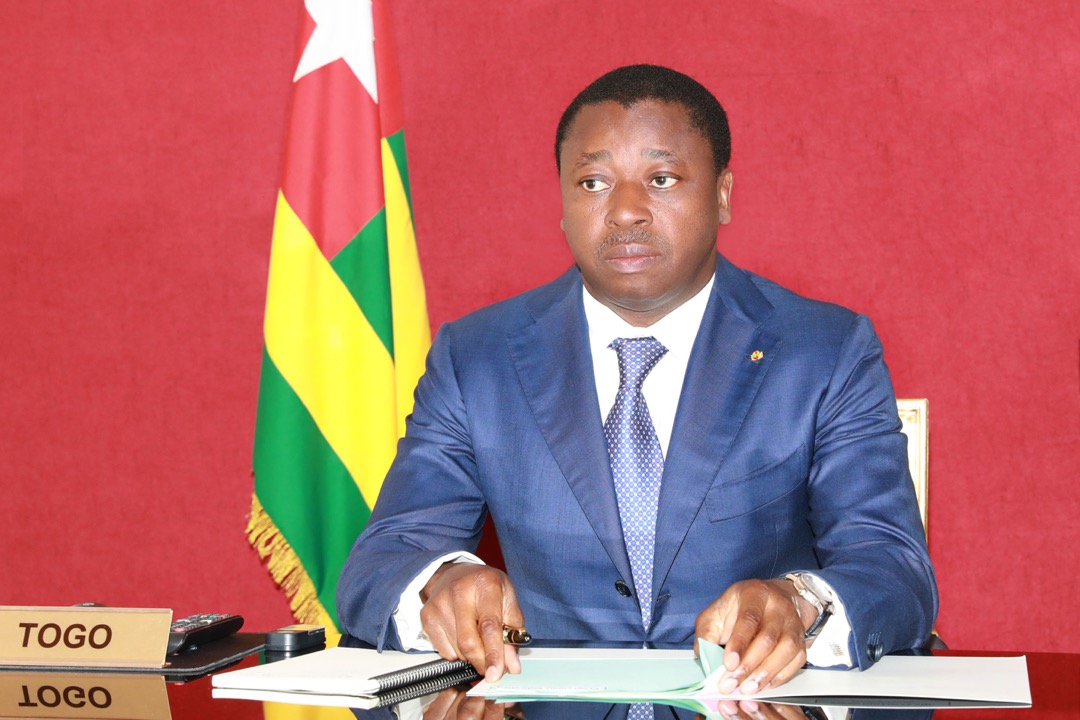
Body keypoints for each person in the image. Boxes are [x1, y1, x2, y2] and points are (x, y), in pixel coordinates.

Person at [337, 64, 937, 696]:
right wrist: (443, 581)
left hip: (754, 702)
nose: (625, 211)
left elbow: (892, 568)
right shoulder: (477, 357)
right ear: (562, 203)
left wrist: (800, 601)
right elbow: (385, 556)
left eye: (661, 179)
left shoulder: (824, 351)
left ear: (723, 194)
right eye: (593, 182)